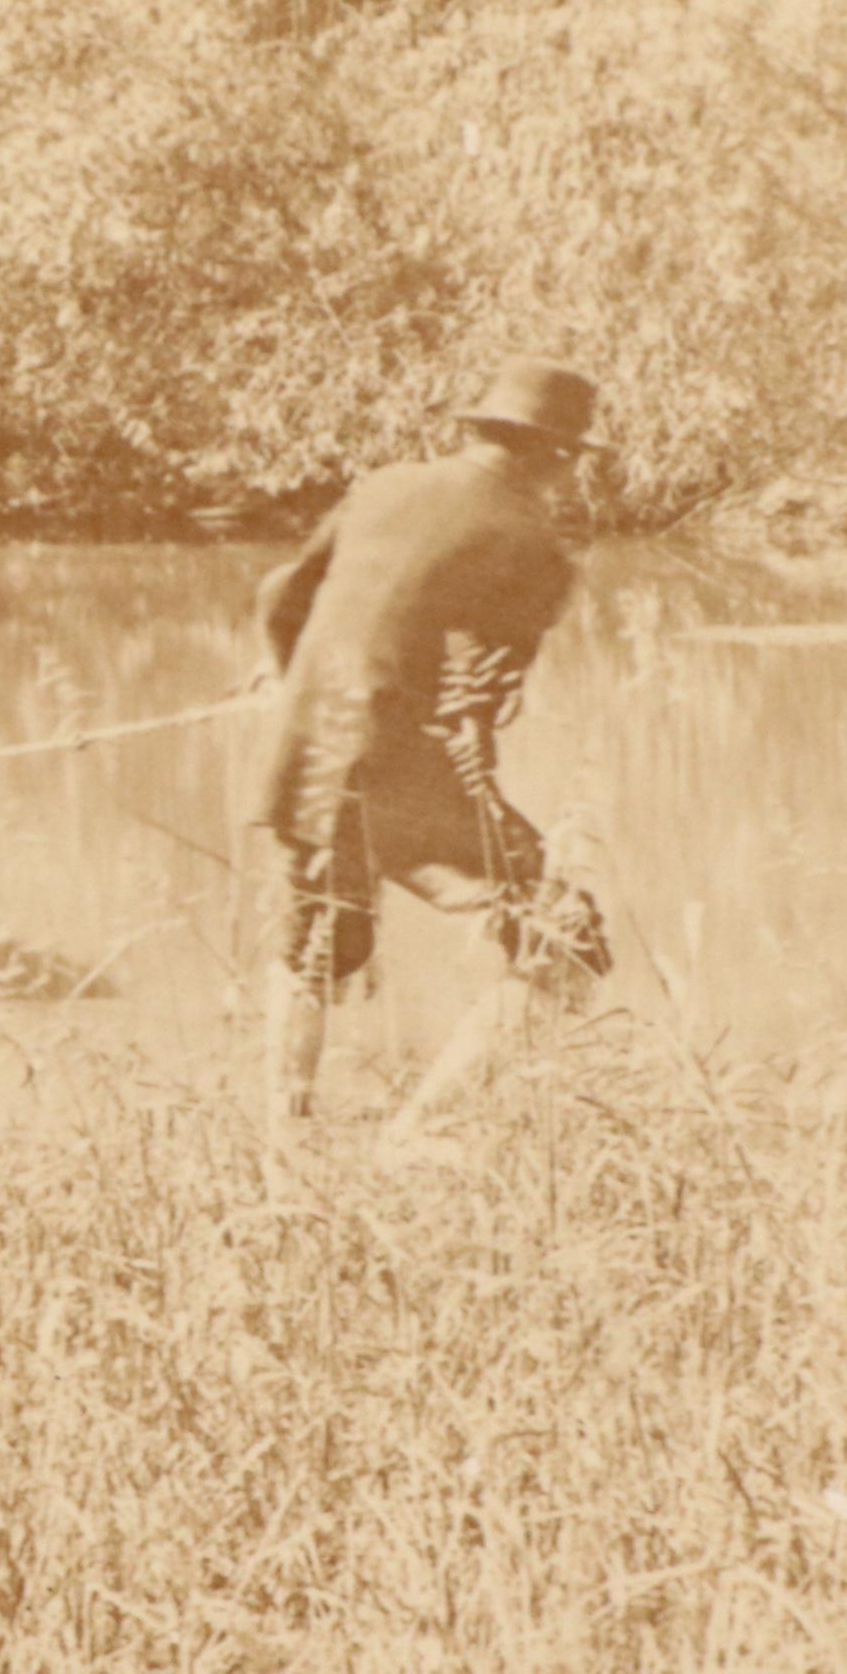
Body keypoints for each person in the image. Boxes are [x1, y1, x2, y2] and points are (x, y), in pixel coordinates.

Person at [246, 353, 613, 1126]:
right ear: (555, 457)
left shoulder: (382, 487)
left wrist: (297, 689)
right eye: (572, 461)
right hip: (398, 766)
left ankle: (282, 1144)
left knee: (315, 944)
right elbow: (470, 707)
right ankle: (417, 1135)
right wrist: (475, 805)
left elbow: (281, 597)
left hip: (308, 748)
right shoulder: (536, 547)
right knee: (569, 944)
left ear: (480, 433)